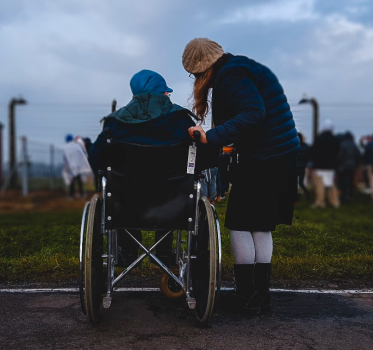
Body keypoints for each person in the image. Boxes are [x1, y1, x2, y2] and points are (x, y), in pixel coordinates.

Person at [182, 38, 300, 311]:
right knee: (259, 224)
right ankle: (260, 295)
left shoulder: (231, 75)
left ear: (203, 69)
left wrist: (210, 137)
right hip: (278, 155)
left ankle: (246, 294)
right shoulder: (242, 67)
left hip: (264, 157)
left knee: (239, 222)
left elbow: (253, 112)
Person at [89, 70, 211, 267]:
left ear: (133, 95)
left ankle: (127, 250)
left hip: (125, 204)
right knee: (172, 188)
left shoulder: (115, 123)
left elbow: (95, 159)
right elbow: (202, 158)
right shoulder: (181, 121)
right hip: (172, 205)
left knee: (119, 189)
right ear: (163, 94)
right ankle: (163, 252)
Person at [310, 119, 340, 208]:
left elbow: (313, 152)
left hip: (319, 166)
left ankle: (320, 202)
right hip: (331, 166)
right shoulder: (335, 139)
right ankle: (334, 202)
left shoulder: (319, 139)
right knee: (331, 184)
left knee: (320, 185)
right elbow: (338, 152)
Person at [62, 134, 92, 199]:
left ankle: (71, 195)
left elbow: (65, 158)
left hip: (71, 166)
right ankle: (82, 194)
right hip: (78, 166)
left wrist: (67, 168)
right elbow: (83, 155)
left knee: (71, 181)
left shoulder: (66, 148)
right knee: (79, 180)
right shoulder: (77, 146)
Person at [337, 132, 361, 203]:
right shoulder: (354, 145)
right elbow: (358, 156)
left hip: (343, 167)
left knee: (343, 182)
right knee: (350, 182)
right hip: (352, 167)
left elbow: (339, 156)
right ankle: (350, 196)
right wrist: (356, 164)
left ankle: (344, 197)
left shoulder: (342, 145)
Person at [297, 132, 311, 200]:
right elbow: (309, 156)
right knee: (301, 183)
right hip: (302, 166)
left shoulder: (293, 146)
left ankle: (296, 197)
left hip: (295, 166)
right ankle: (307, 195)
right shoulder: (306, 146)